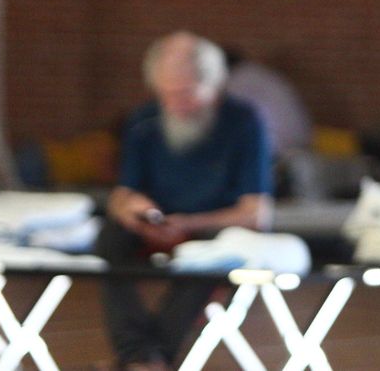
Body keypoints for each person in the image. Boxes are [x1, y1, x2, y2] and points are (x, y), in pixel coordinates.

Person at [97, 31, 273, 371]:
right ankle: (141, 355)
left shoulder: (244, 121)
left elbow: (256, 213)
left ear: (214, 86)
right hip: (157, 225)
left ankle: (147, 358)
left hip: (213, 229)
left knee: (210, 253)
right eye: (167, 96)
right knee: (111, 236)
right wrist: (138, 213)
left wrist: (188, 224)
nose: (175, 106)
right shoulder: (143, 121)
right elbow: (122, 195)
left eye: (186, 95)